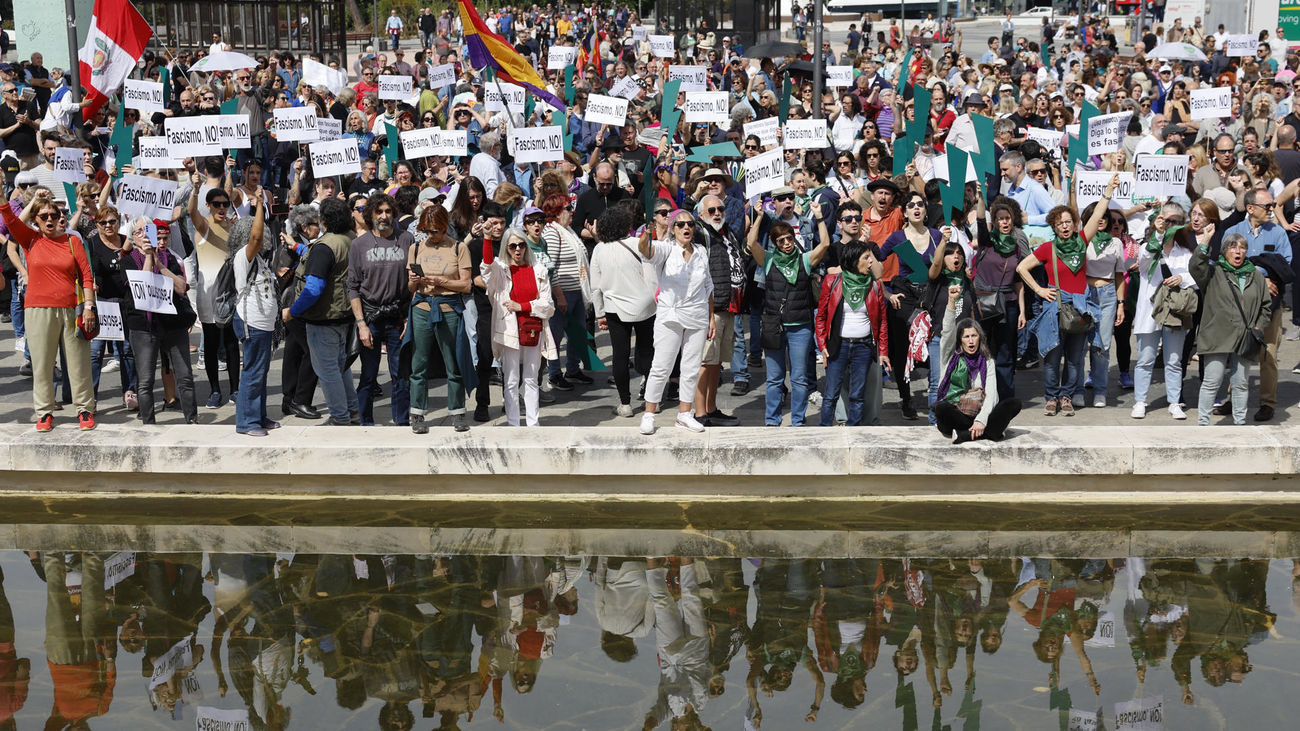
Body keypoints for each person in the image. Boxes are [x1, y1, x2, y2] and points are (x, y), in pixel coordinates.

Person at [1, 190, 95, 431]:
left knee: (78, 362)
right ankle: (44, 412)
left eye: (54, 214)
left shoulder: (73, 241)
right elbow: (11, 220)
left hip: (71, 309)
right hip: (37, 309)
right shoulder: (30, 239)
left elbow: (86, 276)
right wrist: (32, 200)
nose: (50, 219)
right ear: (35, 219)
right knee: (42, 365)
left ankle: (84, 409)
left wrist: (89, 307)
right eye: (43, 216)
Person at [1017, 189, 1113, 417]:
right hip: (1055, 308)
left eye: (1068, 222)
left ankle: (1066, 396)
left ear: (1074, 224)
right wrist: (1040, 290)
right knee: (1052, 357)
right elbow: (1022, 268)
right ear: (1054, 226)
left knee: (1074, 358)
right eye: (1060, 223)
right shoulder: (1047, 248)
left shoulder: (1082, 241)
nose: (1065, 226)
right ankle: (1051, 397)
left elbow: (1097, 214)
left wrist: (1108, 192)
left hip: (1080, 308)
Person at [746, 200, 831, 427]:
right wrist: (759, 217)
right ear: (774, 243)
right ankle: (772, 421)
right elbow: (751, 242)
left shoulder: (804, 259)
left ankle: (798, 420)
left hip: (800, 326)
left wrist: (819, 217)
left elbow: (825, 243)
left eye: (789, 239)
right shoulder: (768, 259)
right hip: (774, 325)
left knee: (799, 378)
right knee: (774, 378)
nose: (786, 243)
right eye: (781, 240)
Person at [638, 210, 713, 435]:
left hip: (697, 315)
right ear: (673, 229)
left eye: (690, 224)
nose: (686, 228)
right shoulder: (666, 248)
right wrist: (647, 233)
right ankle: (649, 414)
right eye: (680, 225)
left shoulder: (701, 251)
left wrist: (711, 318)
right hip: (670, 315)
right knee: (662, 366)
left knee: (691, 367)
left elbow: (708, 286)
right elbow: (645, 250)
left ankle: (684, 414)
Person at [285, 197, 358, 426]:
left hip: (324, 318)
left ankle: (340, 416)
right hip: (344, 316)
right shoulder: (351, 240)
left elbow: (313, 289)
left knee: (327, 371)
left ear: (324, 221)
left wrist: (293, 311)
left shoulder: (325, 247)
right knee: (340, 367)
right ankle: (352, 410)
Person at [120, 218, 197, 425]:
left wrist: (159, 263)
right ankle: (149, 423)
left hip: (173, 325)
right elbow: (143, 289)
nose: (144, 235)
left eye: (148, 230)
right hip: (144, 328)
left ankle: (192, 420)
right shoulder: (127, 261)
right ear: (133, 238)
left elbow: (181, 287)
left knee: (185, 377)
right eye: (139, 232)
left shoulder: (168, 257)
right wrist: (147, 258)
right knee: (145, 381)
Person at [1190, 232, 1271, 425]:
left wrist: (1258, 327)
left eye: (1242, 248)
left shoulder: (1255, 275)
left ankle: (1240, 423)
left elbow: (1266, 306)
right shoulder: (1213, 272)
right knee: (1212, 381)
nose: (1238, 251)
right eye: (1233, 247)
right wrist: (1205, 241)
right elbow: (1195, 266)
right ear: (1225, 251)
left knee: (1240, 383)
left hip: (1245, 337)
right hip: (1216, 336)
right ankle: (1203, 424)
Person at [347, 192, 413, 427]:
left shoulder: (406, 239)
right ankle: (366, 424)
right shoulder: (358, 245)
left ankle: (401, 422)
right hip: (370, 317)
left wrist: (408, 316)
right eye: (379, 212)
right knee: (368, 375)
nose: (384, 216)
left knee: (401, 375)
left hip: (398, 317)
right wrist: (361, 324)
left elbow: (414, 282)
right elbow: (353, 287)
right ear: (371, 215)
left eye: (388, 211)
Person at [406, 205, 472, 433]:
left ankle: (457, 412)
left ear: (445, 227)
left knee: (453, 363)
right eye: (426, 230)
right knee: (419, 363)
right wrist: (414, 280)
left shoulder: (459, 248)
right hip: (422, 306)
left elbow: (466, 285)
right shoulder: (416, 248)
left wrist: (441, 282)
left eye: (435, 230)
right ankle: (417, 413)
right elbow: (410, 288)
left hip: (448, 308)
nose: (431, 235)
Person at [483, 227, 557, 427]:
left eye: (521, 245)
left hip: (533, 328)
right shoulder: (501, 270)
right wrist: (487, 238)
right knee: (511, 379)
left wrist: (522, 306)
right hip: (510, 330)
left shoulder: (538, 270)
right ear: (506, 248)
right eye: (513, 246)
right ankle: (513, 423)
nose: (517, 249)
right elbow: (487, 267)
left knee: (531, 378)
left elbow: (548, 306)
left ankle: (533, 422)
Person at [933, 281, 1023, 443]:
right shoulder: (950, 355)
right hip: (956, 413)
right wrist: (952, 302)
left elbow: (991, 394)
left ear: (980, 338)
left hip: (978, 413)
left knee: (1013, 403)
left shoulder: (987, 361)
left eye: (974, 336)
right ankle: (990, 432)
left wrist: (981, 419)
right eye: (966, 337)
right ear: (960, 340)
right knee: (941, 408)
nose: (971, 341)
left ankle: (966, 434)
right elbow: (947, 332)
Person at [1131, 203, 1197, 420]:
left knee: (1174, 360)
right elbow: (1145, 260)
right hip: (1150, 311)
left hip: (1174, 312)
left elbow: (1196, 277)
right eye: (1167, 220)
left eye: (1176, 221)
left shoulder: (1185, 252)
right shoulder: (1148, 247)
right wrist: (1158, 234)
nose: (1171, 225)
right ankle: (1140, 401)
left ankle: (1174, 402)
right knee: (1145, 359)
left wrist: (1182, 278)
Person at [591, 206, 656, 418]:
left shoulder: (599, 250)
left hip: (614, 308)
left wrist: (599, 313)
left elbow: (595, 287)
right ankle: (651, 398)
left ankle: (625, 404)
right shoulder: (638, 244)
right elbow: (651, 275)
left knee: (620, 355)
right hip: (646, 305)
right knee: (647, 351)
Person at [815, 238, 888, 426]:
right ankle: (823, 431)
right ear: (855, 260)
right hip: (839, 345)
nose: (871, 261)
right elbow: (821, 316)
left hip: (863, 346)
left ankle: (854, 430)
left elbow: (881, 321)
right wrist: (822, 345)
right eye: (866, 257)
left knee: (857, 395)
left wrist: (883, 351)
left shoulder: (875, 285)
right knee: (831, 394)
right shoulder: (832, 281)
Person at [227, 192, 281, 436]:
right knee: (253, 371)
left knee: (261, 371)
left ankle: (258, 415)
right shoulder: (244, 255)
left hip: (263, 324)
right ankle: (247, 423)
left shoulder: (258, 259)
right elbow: (257, 237)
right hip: (253, 322)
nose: (261, 234)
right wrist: (259, 205)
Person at [188, 172, 241, 409]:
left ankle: (236, 389)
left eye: (225, 204)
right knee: (210, 342)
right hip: (207, 292)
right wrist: (195, 190)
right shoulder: (203, 225)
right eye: (217, 204)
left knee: (231, 341)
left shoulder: (234, 226)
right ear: (208, 206)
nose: (221, 208)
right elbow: (191, 211)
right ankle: (215, 391)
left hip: (229, 290)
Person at [539, 192, 593, 393]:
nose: (572, 212)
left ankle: (572, 369)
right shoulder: (552, 233)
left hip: (577, 290)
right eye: (568, 208)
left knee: (578, 333)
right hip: (562, 292)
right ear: (556, 211)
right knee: (555, 334)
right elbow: (550, 267)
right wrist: (559, 296)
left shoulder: (568, 230)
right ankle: (554, 373)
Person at [85, 205, 137, 410]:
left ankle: (129, 391)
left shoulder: (126, 241)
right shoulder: (91, 244)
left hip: (125, 301)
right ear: (97, 224)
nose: (108, 226)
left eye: (112, 221)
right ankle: (91, 396)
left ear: (118, 222)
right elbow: (88, 270)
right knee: (95, 352)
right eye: (103, 222)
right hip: (102, 302)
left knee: (127, 350)